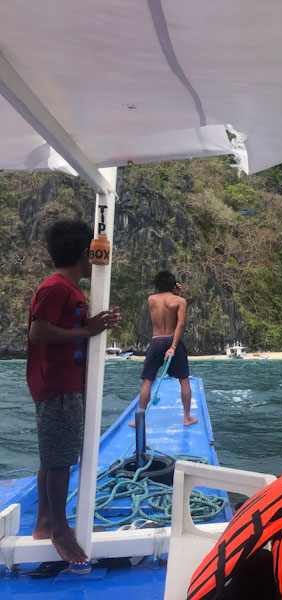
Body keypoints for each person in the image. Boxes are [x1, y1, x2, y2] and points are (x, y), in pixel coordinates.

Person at [27, 219, 121, 565]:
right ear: (86, 253)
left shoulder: (70, 290)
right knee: (60, 459)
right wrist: (89, 330)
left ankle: (45, 520)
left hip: (64, 382)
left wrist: (95, 324)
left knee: (54, 454)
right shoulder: (56, 288)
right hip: (56, 383)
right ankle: (60, 530)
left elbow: (70, 327)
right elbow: (39, 333)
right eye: (94, 254)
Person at [132, 270, 198, 427]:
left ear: (157, 285)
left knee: (147, 380)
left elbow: (163, 301)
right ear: (174, 284)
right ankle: (187, 417)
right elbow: (180, 324)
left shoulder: (151, 300)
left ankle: (139, 420)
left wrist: (172, 291)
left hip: (156, 341)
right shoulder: (180, 301)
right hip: (172, 340)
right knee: (184, 380)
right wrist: (173, 346)